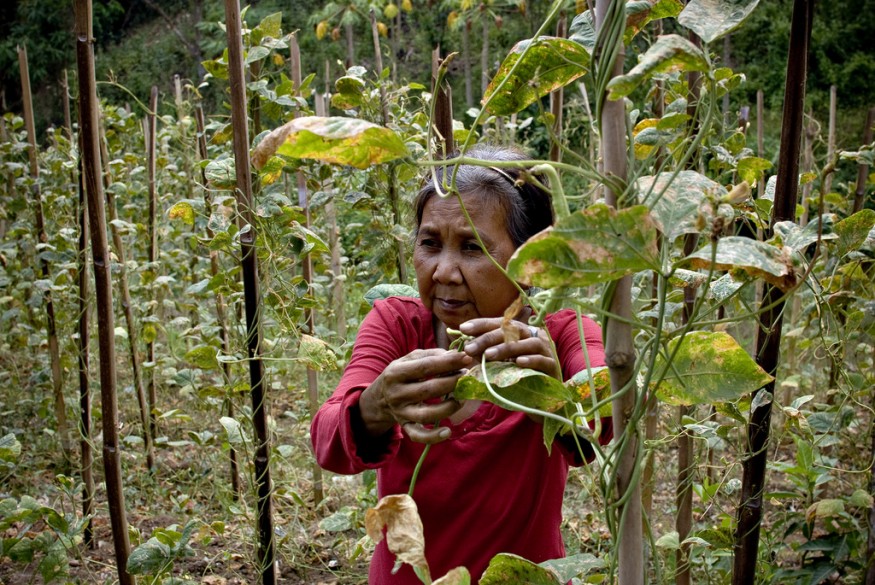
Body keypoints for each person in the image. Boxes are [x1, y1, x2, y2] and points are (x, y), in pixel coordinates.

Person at [311, 144, 609, 584]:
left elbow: (607, 432)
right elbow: (328, 442)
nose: (444, 271)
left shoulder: (566, 335)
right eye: (430, 243)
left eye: (472, 248)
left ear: (532, 260)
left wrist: (560, 395)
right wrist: (375, 405)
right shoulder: (396, 326)